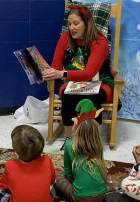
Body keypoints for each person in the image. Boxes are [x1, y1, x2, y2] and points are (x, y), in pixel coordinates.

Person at [42, 4, 114, 137]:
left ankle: (91, 140)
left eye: (76, 23)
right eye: (69, 24)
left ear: (86, 23)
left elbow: (89, 73)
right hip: (73, 83)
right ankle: (70, 139)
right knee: (69, 95)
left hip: (99, 82)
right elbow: (56, 67)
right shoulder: (64, 38)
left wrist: (61, 73)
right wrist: (46, 73)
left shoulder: (99, 42)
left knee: (91, 98)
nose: (71, 28)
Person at [0, 125, 56, 202]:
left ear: (16, 151)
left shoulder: (10, 165)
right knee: (51, 188)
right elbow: (52, 180)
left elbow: (3, 186)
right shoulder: (47, 160)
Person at [55, 118, 108, 202]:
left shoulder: (69, 144)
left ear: (77, 129)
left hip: (80, 198)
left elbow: (68, 173)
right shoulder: (99, 146)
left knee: (56, 173)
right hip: (101, 196)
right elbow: (103, 170)